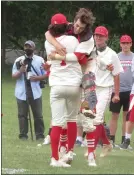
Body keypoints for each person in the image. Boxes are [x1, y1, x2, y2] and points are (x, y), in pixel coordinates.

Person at [44, 8, 96, 146]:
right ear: (74, 21)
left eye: (81, 27)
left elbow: (77, 57)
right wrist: (57, 44)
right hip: (75, 68)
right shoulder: (69, 27)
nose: (77, 29)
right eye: (76, 25)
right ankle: (64, 148)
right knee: (69, 117)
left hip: (88, 65)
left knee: (88, 109)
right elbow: (47, 33)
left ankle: (90, 109)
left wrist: (55, 56)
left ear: (86, 27)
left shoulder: (88, 38)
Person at [45, 13, 82, 167]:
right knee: (72, 120)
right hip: (73, 83)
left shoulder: (48, 43)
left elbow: (49, 35)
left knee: (57, 123)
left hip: (57, 84)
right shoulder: (73, 40)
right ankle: (68, 152)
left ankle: (54, 158)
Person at [92, 26, 123, 157]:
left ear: (106, 38)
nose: (98, 37)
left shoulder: (112, 54)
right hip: (91, 87)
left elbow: (116, 74)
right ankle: (107, 143)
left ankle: (91, 149)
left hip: (105, 87)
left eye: (101, 35)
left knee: (97, 118)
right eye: (96, 35)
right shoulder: (90, 50)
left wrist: (116, 94)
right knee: (90, 118)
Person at [12, 40, 47, 140]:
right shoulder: (18, 60)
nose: (28, 49)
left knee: (38, 115)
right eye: (26, 46)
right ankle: (23, 135)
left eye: (30, 47)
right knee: (22, 115)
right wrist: (20, 71)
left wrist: (38, 78)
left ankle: (39, 135)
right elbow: (14, 75)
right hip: (21, 92)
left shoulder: (40, 60)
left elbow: (46, 73)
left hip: (35, 91)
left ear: (34, 48)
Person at [109, 34, 134, 145]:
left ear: (131, 44)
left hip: (130, 90)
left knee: (126, 116)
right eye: (123, 43)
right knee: (114, 115)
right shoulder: (116, 56)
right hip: (117, 90)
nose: (125, 45)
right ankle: (111, 139)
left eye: (127, 43)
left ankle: (124, 140)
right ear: (120, 44)